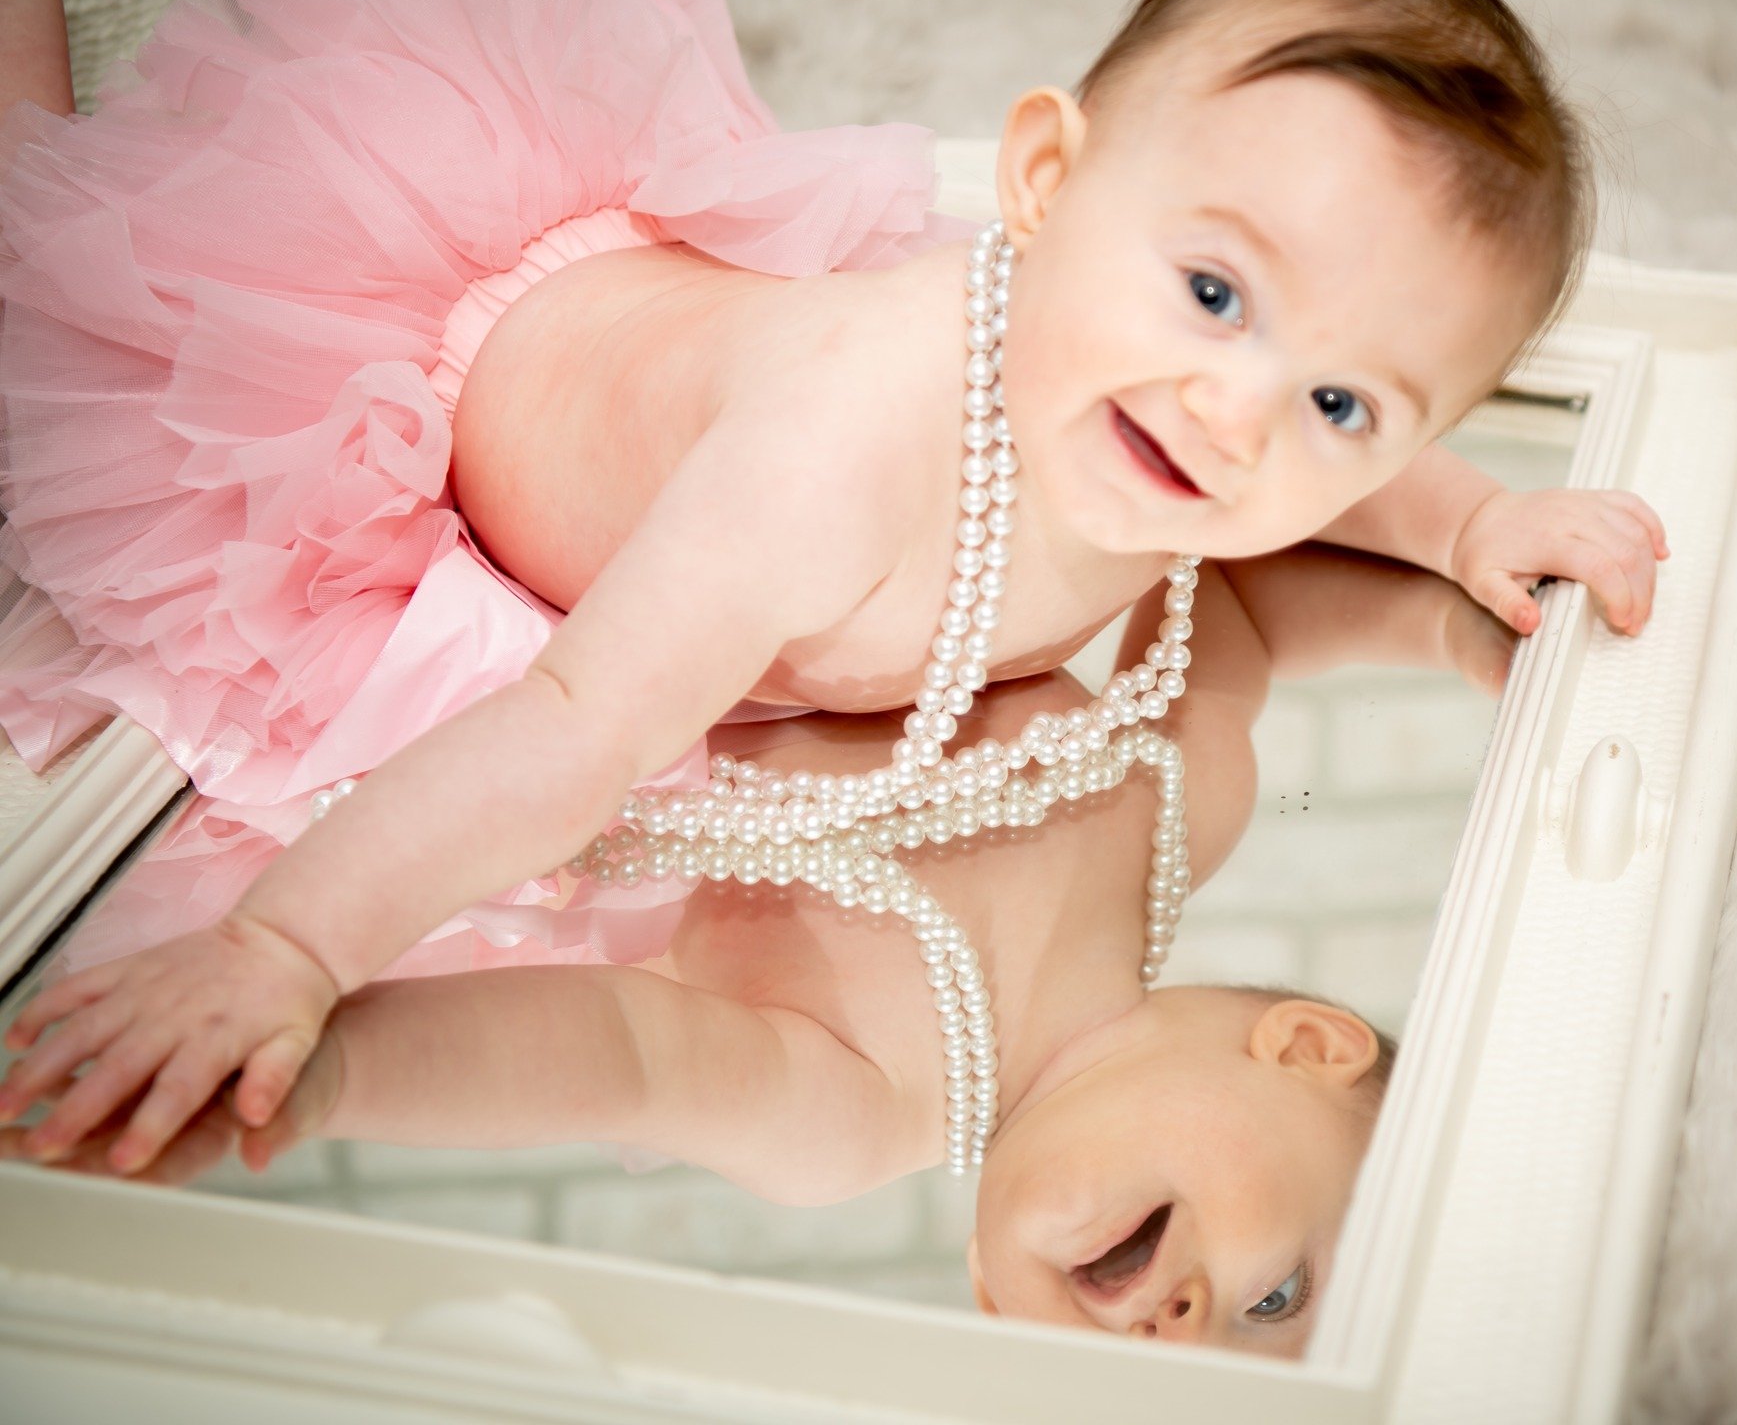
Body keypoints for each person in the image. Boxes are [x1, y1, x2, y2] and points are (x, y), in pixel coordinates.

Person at [0, 0, 1666, 1180]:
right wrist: (287, 953)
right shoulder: (851, 451)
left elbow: (1320, 520)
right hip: (436, 372)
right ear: (1044, 180)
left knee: (394, 98)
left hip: (636, 319)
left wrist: (1465, 527)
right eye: (1215, 293)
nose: (1238, 415)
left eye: (1341, 403)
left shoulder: (1151, 443)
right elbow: (570, 730)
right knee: (64, 298)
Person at [4, 543, 1511, 1354]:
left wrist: (321, 1074)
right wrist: (1454, 622)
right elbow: (1238, 596)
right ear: (1309, 1048)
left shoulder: (859, 1113)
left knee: (75, 490)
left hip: (477, 672)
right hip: (695, 520)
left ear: (997, 1306)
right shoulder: (1187, 801)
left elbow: (616, 1053)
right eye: (1278, 1298)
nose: (1185, 1340)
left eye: (1158, 1395)